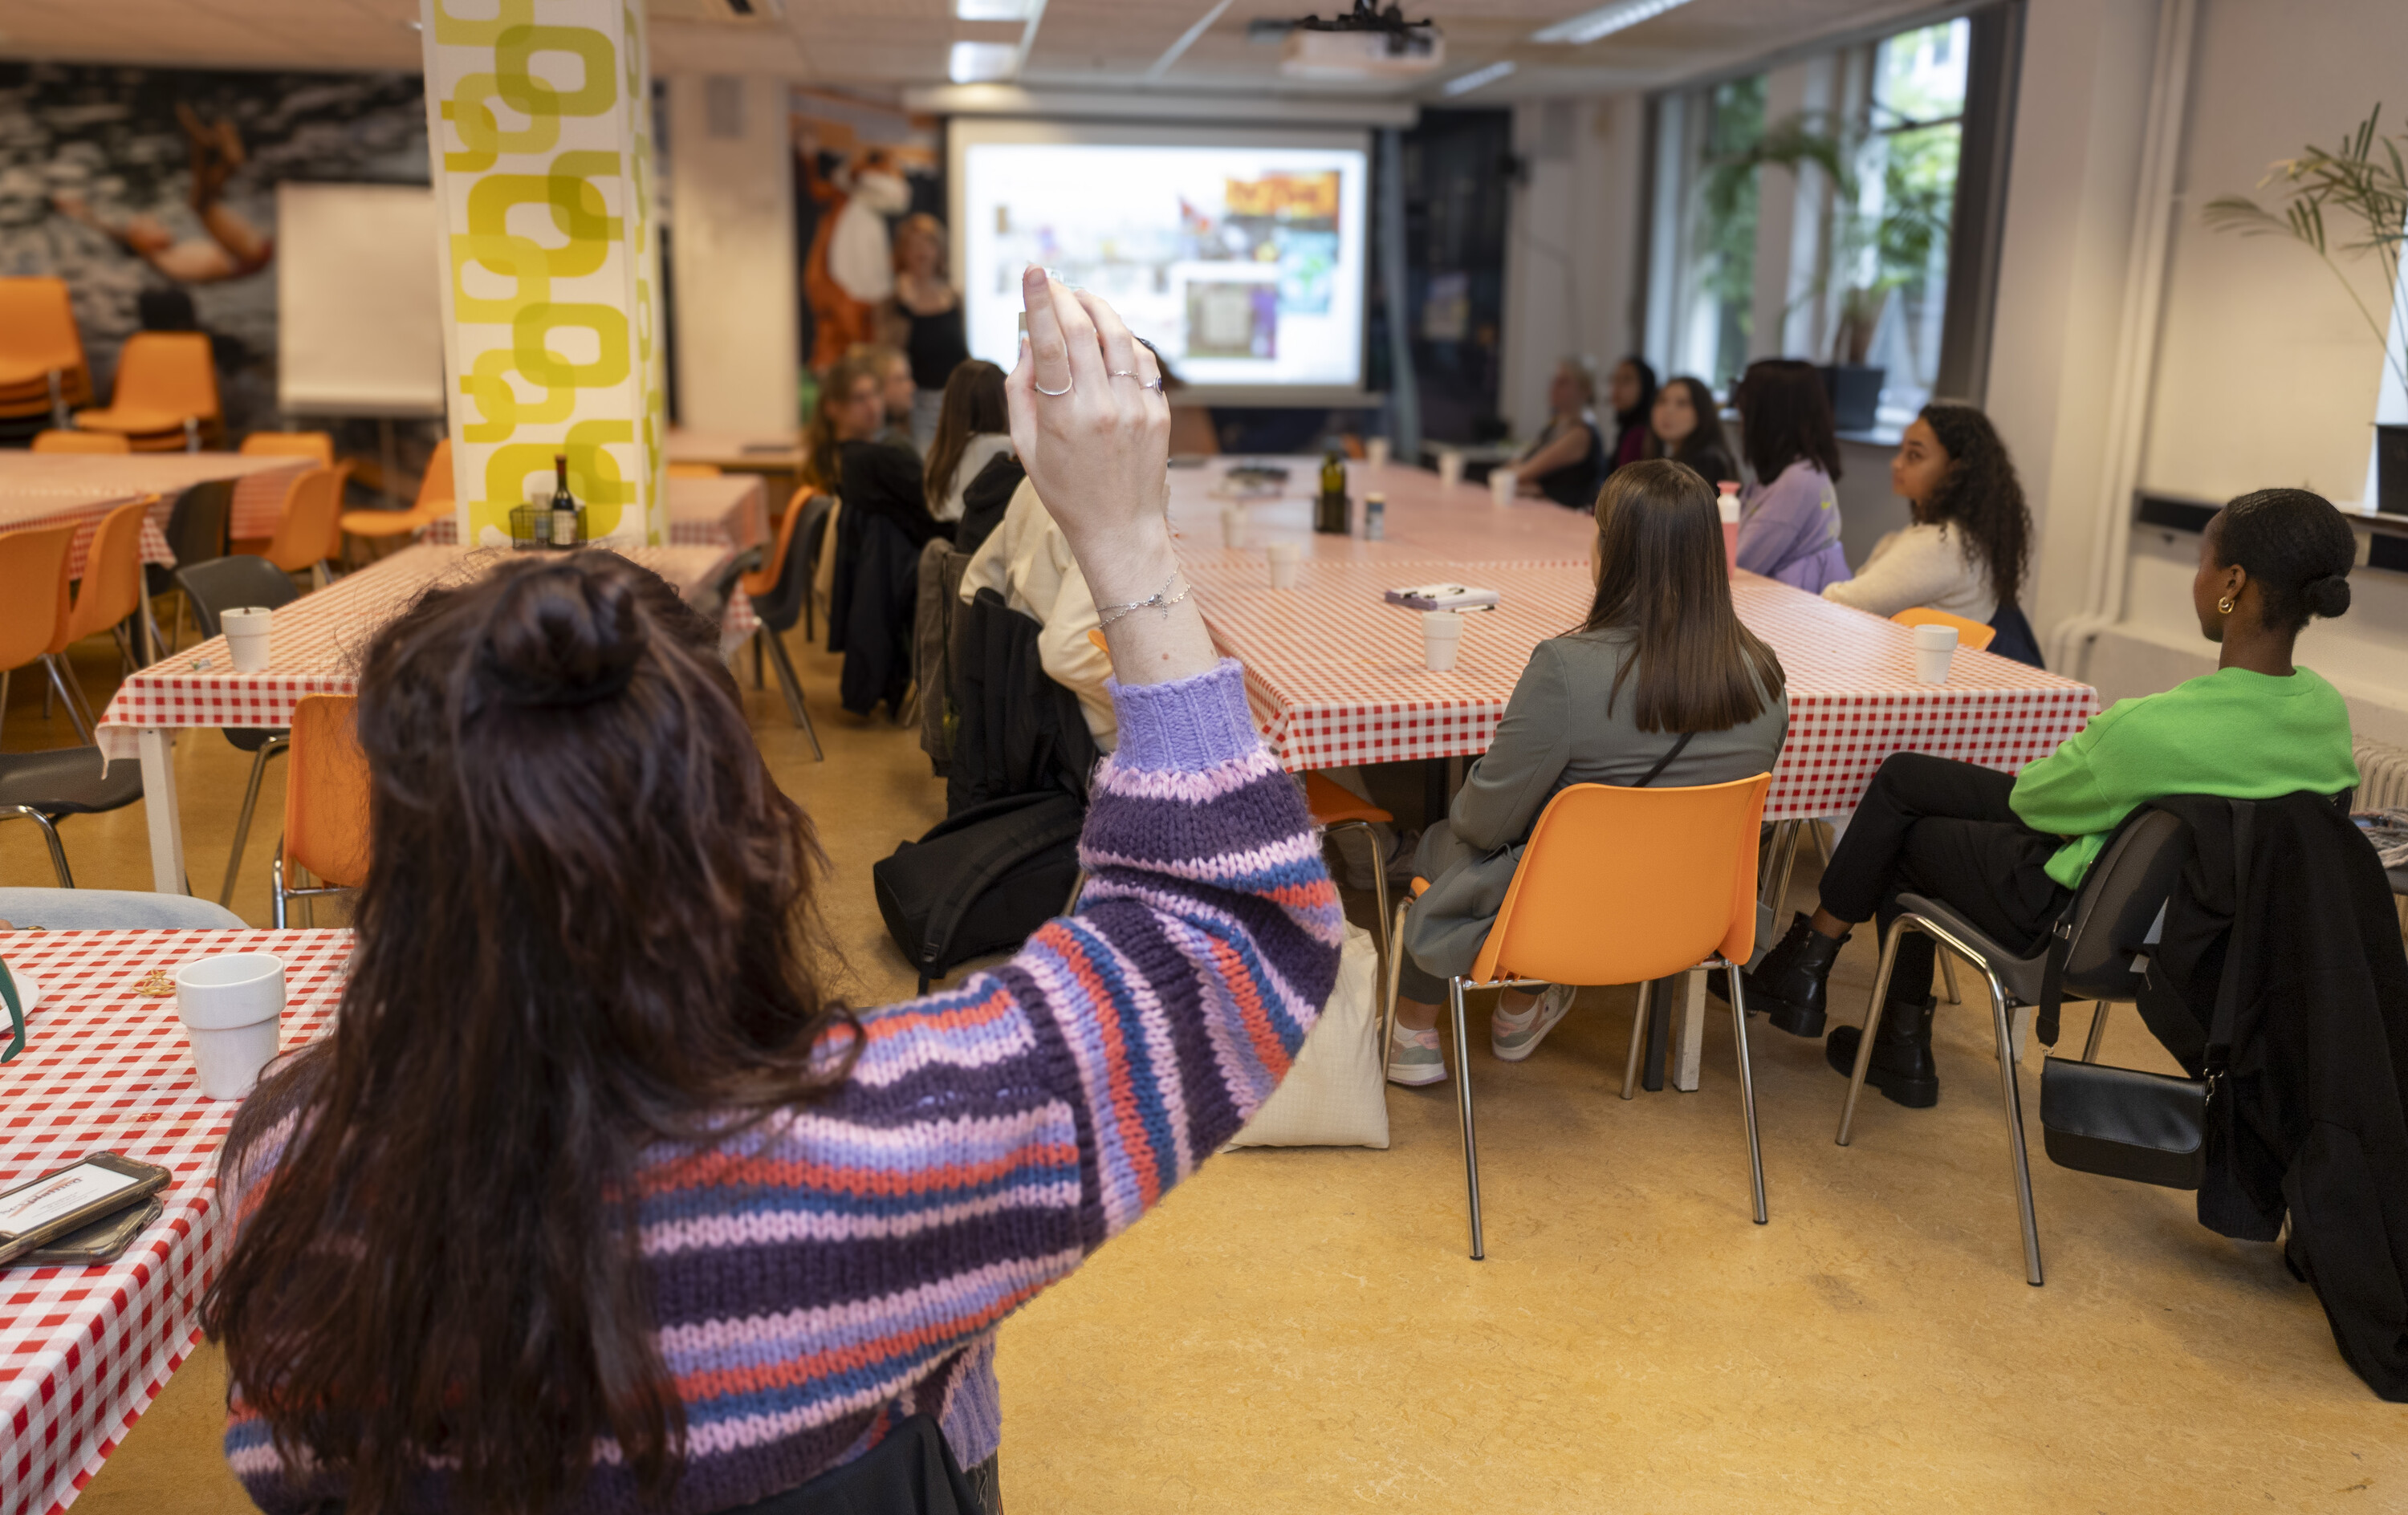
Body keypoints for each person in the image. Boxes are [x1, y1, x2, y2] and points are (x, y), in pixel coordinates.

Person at [204, 266, 1342, 1515]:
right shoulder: (889, 1143)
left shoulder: (285, 1165)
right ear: (740, 842)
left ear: (405, 864)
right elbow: (1229, 930)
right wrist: (1125, 536)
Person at [1737, 488, 2360, 1108]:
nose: (2196, 579)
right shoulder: (2328, 719)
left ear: (2233, 581)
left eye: (2202, 562)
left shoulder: (2153, 728)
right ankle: (1830, 985)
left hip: (2070, 917)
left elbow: (2037, 802)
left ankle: (1848, 998)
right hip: (2191, 945)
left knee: (1909, 833)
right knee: (1904, 779)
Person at [1387, 460, 1790, 1083]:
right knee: (1575, 844)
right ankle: (1519, 1015)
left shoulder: (1566, 669)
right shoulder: (1766, 675)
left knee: (1445, 839)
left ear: (1613, 551)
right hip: (1692, 919)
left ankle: (1414, 1034)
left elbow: (1484, 824)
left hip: (1565, 916)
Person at [1823, 403, 2038, 660]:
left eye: (1914, 456)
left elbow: (1840, 603)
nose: (1897, 464)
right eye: (1901, 451)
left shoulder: (1941, 544)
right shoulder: (1963, 537)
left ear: (1955, 469)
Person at [958, 474, 1116, 751]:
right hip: (1093, 731)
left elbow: (977, 584)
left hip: (1025, 715)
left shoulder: (1034, 480)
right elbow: (1066, 655)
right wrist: (1142, 700)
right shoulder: (1112, 508)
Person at [55, 103, 270, 283]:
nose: (162, 226)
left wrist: (82, 213)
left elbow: (117, 234)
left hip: (246, 253)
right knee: (199, 206)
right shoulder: (169, 265)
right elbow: (220, 267)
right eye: (154, 228)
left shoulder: (163, 258)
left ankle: (205, 151)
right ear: (143, 244)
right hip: (248, 258)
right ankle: (220, 159)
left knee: (200, 204)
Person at [1734, 359, 1851, 591]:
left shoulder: (1797, 481)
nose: (1741, 422)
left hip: (1793, 609)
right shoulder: (1791, 470)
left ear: (1768, 416)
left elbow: (1741, 564)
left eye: (1746, 412)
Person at [881, 212, 972, 453]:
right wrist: (905, 306)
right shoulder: (892, 303)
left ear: (940, 249)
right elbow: (888, 358)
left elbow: (961, 351)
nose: (922, 251)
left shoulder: (954, 298)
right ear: (902, 252)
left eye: (928, 243)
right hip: (915, 407)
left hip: (954, 404)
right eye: (913, 244)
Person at [923, 359, 1014, 525]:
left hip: (943, 546)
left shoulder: (937, 452)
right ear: (999, 401)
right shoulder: (1006, 448)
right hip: (979, 545)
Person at [1513, 357, 1609, 510]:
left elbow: (1521, 474)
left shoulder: (1581, 433)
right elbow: (1521, 463)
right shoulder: (1556, 425)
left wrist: (1535, 488)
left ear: (1585, 390)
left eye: (1563, 382)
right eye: (1554, 380)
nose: (1554, 386)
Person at [1646, 375, 1739, 486]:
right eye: (1662, 401)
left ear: (1702, 412)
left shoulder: (1707, 464)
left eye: (1682, 403)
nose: (1668, 410)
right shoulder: (1671, 457)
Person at [1605, 355, 1660, 472]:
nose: (1617, 387)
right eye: (1615, 379)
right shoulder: (1628, 428)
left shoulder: (1639, 434)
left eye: (1626, 380)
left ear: (1645, 386)